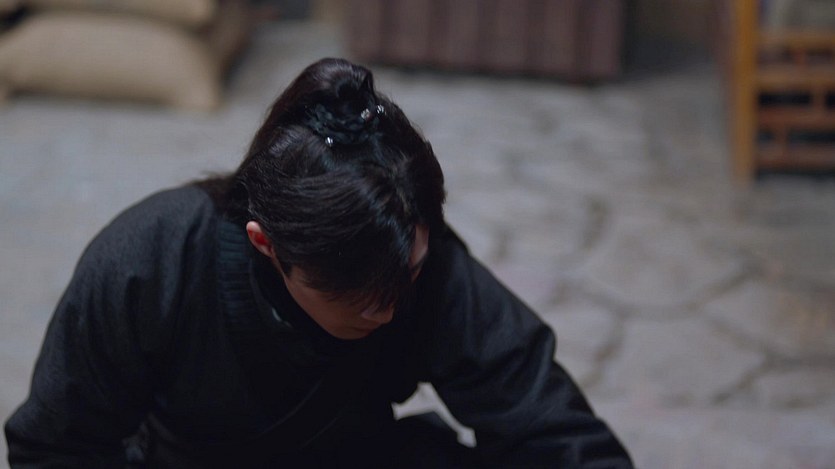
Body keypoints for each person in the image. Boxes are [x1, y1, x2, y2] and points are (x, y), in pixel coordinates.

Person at [5, 58, 633, 468]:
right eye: (357, 292)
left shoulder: (423, 264)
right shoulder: (151, 259)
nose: (387, 310)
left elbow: (552, 429)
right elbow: (56, 449)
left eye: (408, 275)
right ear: (265, 244)